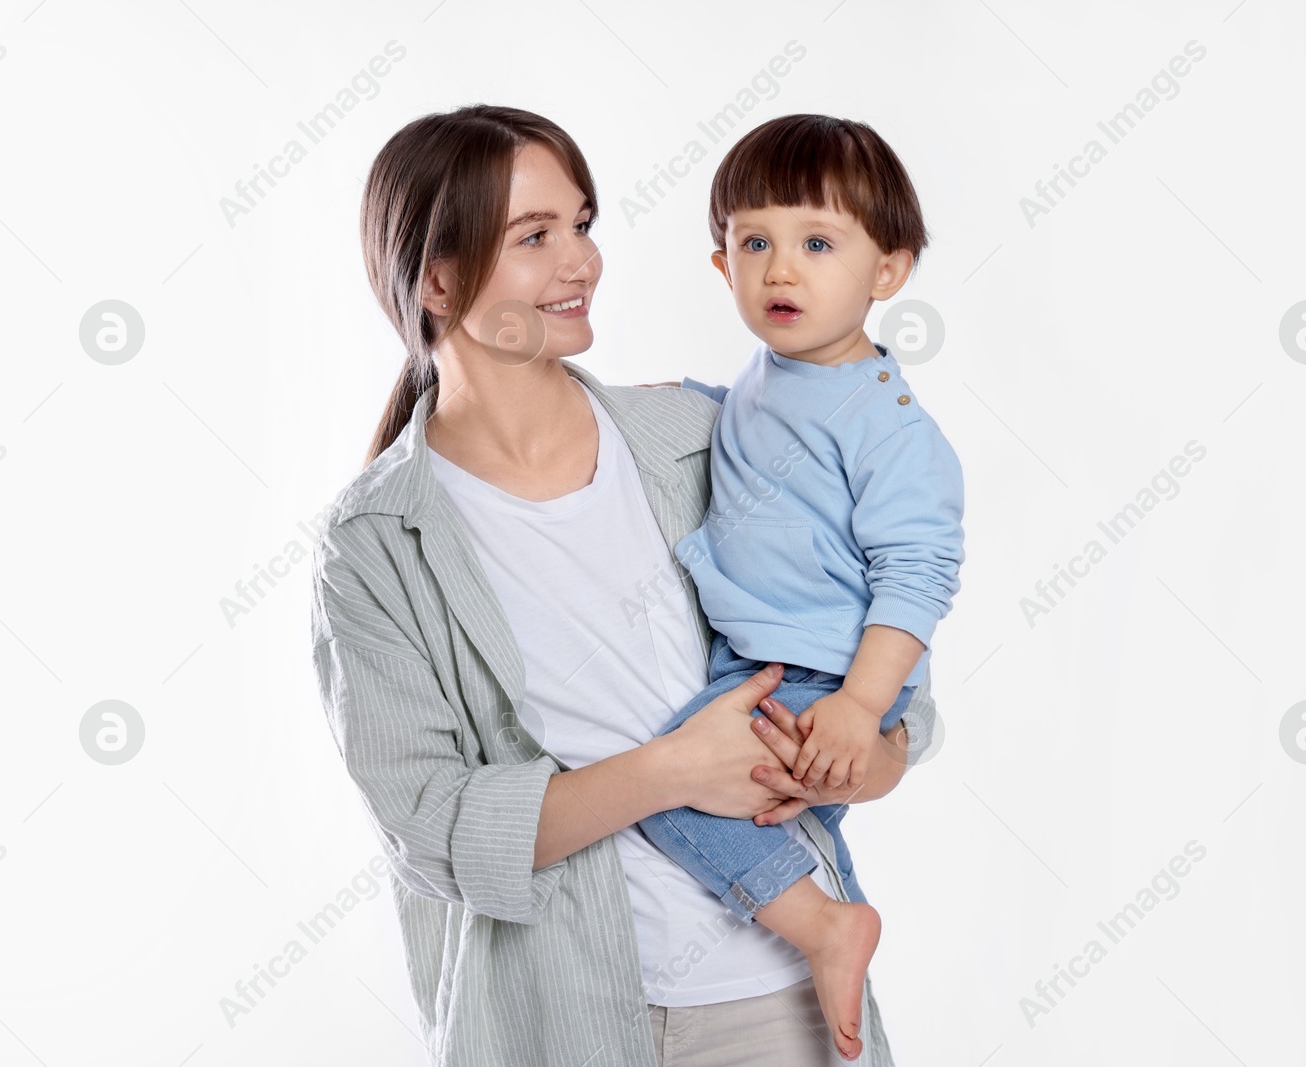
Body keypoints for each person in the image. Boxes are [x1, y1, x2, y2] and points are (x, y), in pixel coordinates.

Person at [310, 104, 941, 1066]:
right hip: (559, 1020)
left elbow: (892, 682)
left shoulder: (705, 434)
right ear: (438, 280)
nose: (581, 261)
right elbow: (434, 832)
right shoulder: (377, 544)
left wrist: (871, 754)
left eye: (582, 224)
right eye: (535, 236)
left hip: (779, 1003)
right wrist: (674, 769)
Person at [633, 114, 964, 1060]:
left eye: (818, 244)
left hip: (830, 671)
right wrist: (690, 400)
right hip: (771, 657)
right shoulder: (774, 374)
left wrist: (862, 709)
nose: (782, 269)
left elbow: (920, 572)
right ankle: (834, 921)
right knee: (772, 817)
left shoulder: (886, 422)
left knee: (666, 784)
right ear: (720, 264)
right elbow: (767, 431)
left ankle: (828, 927)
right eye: (755, 243)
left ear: (887, 272)